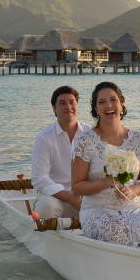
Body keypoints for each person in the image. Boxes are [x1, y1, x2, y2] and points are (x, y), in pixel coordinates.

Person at [71, 81, 140, 248]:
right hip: (96, 208)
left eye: (113, 100)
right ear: (96, 109)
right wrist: (105, 183)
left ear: (121, 104)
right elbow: (76, 187)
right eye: (102, 102)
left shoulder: (139, 139)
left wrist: (133, 190)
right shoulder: (86, 142)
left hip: (131, 205)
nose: (108, 106)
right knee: (117, 230)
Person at [30, 85, 93, 220]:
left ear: (77, 106)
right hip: (56, 198)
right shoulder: (44, 137)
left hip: (87, 197)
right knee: (45, 207)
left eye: (72, 102)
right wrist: (70, 197)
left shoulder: (91, 133)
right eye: (62, 103)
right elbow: (39, 178)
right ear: (54, 108)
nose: (68, 106)